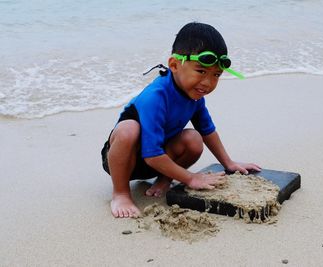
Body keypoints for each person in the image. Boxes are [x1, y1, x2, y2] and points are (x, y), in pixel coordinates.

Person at [101, 22, 261, 218]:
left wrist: (228, 163)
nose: (208, 83)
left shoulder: (194, 96)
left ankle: (164, 179)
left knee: (194, 139)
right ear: (174, 65)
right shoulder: (155, 96)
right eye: (201, 71)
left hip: (158, 161)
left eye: (216, 75)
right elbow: (151, 154)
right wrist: (191, 178)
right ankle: (121, 193)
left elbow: (207, 130)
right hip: (125, 161)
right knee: (128, 130)